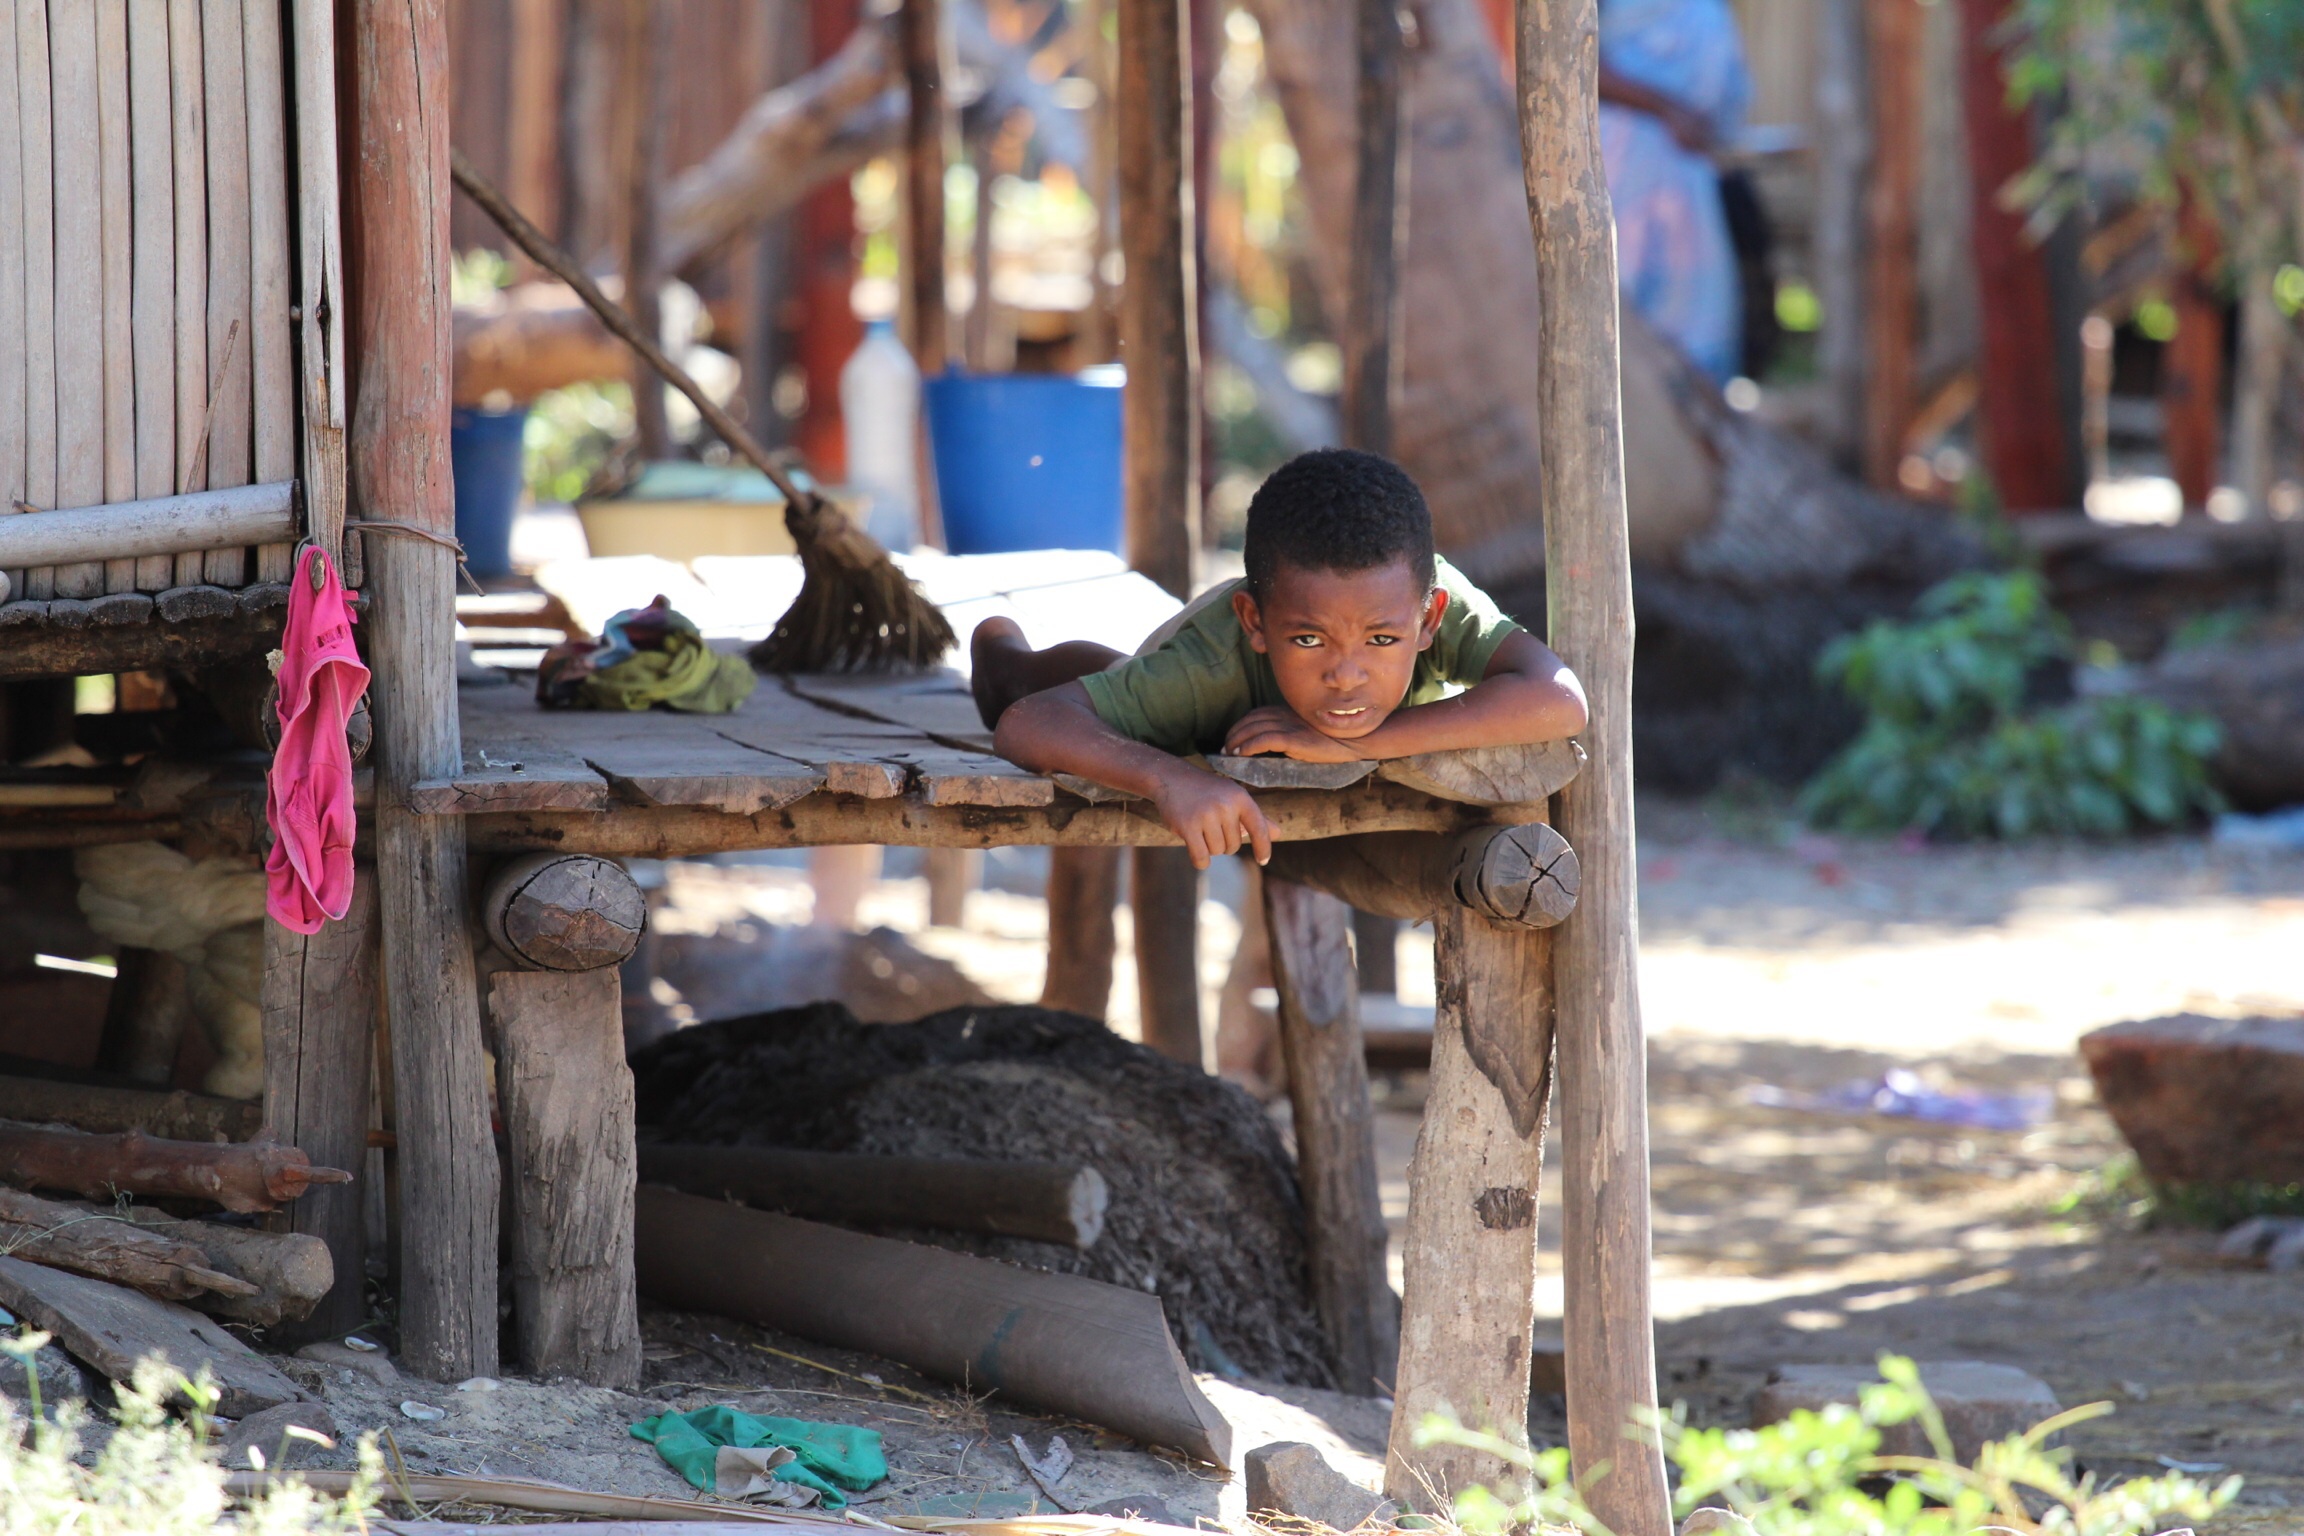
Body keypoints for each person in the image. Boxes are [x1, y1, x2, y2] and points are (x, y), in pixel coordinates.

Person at [970, 449, 1589, 869]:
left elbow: (1560, 700)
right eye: (1310, 641)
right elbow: (1027, 722)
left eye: (1380, 642)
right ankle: (1003, 650)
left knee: (1132, 689)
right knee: (1112, 692)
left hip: (1258, 671)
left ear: (1428, 620)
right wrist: (1172, 779)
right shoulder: (1209, 661)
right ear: (1256, 623)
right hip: (1198, 681)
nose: (1346, 676)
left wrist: (1358, 744)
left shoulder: (1414, 591)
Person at [1597, 0, 1753, 382]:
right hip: (1626, 163)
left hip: (1690, 170)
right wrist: (1666, 110)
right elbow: (1576, 63)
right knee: (1622, 298)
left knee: (1698, 315)